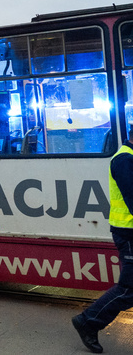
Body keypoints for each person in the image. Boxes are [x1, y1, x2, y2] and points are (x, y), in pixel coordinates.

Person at [73, 136, 133, 353]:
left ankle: (89, 320)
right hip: (129, 233)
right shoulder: (124, 159)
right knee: (129, 289)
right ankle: (88, 321)